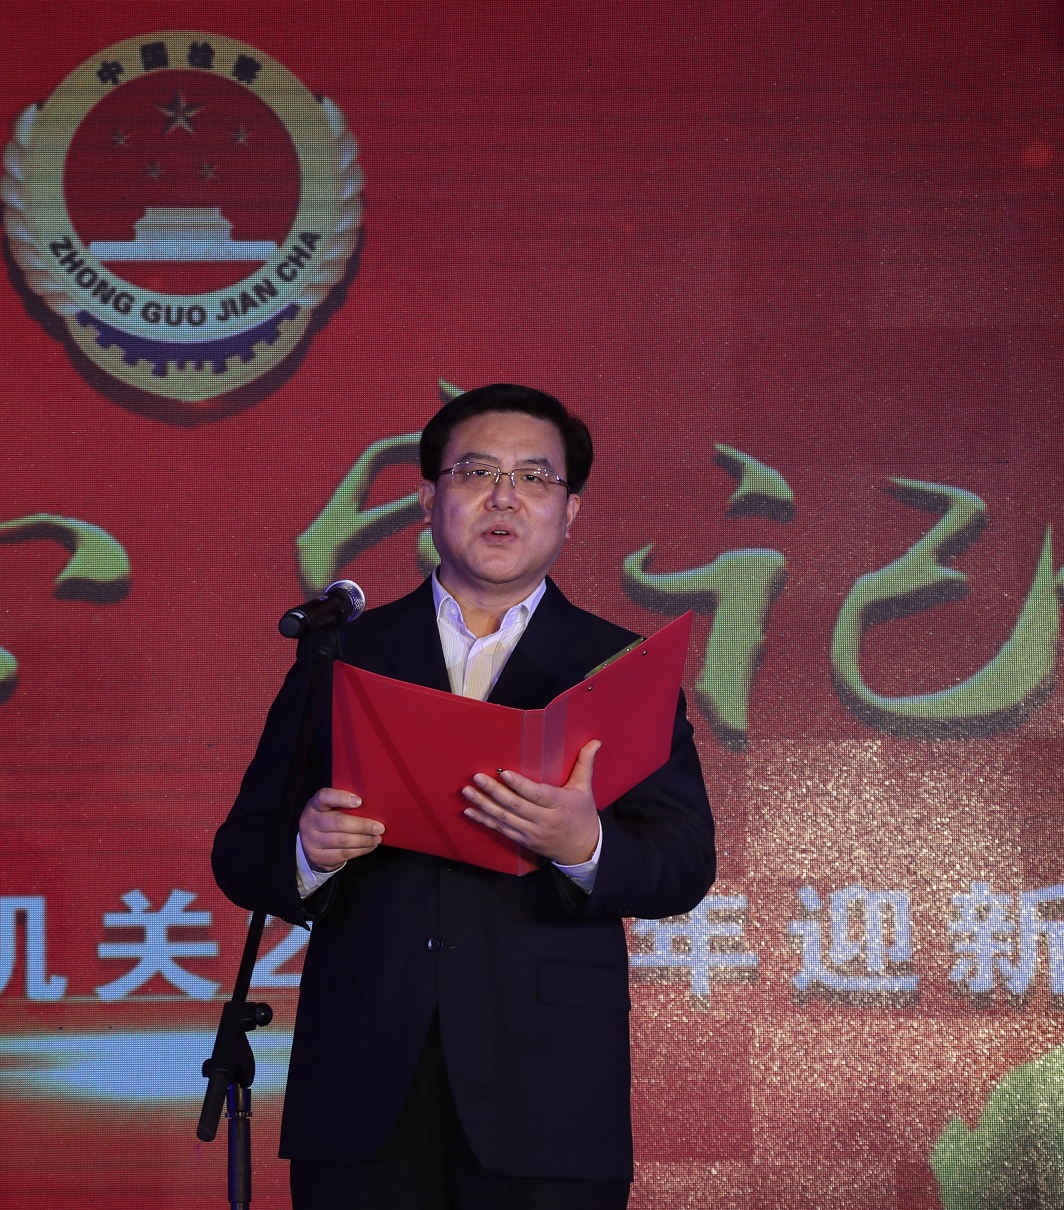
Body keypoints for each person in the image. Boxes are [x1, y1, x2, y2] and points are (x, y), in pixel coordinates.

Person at [211, 384, 717, 1209]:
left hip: (547, 1089)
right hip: (364, 1082)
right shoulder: (343, 654)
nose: (504, 497)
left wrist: (583, 846)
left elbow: (685, 861)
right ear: (428, 499)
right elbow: (242, 850)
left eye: (535, 477)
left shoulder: (617, 667)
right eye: (476, 472)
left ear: (570, 511)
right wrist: (307, 851)